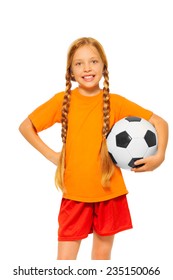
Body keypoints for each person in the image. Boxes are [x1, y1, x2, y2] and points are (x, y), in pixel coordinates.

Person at [19, 37, 168, 260]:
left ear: (103, 67)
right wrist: (53, 156)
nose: (87, 68)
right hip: (75, 193)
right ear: (70, 71)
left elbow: (160, 122)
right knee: (65, 261)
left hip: (109, 192)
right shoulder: (64, 100)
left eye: (93, 61)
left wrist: (160, 156)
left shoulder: (115, 102)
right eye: (79, 63)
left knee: (101, 256)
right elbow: (26, 126)